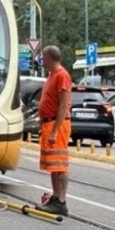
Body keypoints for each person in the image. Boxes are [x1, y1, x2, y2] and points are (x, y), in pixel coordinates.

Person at [35, 45, 72, 216]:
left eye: (43, 57)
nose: (41, 60)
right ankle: (56, 198)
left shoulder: (62, 75)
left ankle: (61, 201)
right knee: (53, 165)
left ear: (50, 57)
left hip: (57, 125)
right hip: (48, 124)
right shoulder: (51, 75)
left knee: (60, 163)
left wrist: (55, 131)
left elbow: (63, 105)